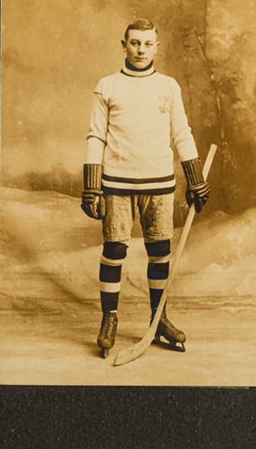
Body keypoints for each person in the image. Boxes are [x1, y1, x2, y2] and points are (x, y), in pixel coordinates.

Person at [81, 18, 210, 358]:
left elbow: (181, 133)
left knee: (160, 253)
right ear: (123, 44)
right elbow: (96, 136)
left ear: (157, 46)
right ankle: (109, 318)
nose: (141, 49)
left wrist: (195, 179)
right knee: (114, 252)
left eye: (147, 43)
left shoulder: (167, 86)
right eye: (134, 42)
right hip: (116, 184)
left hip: (159, 184)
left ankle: (158, 319)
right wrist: (92, 187)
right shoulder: (107, 86)